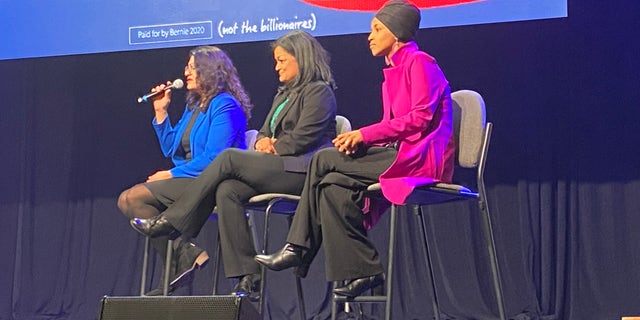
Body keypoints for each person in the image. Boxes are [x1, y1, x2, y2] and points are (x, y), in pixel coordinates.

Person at [254, 0, 455, 298]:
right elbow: (393, 125)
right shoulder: (392, 71)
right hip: (398, 153)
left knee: (323, 158)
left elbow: (419, 119)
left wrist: (364, 135)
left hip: (420, 159)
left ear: (397, 32)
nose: (370, 36)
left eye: (377, 29)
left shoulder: (420, 62)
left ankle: (298, 246)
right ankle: (365, 271)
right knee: (332, 187)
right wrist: (361, 142)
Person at [129, 30, 337, 298]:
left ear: (302, 59)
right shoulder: (283, 94)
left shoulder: (319, 92)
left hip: (301, 171)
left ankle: (173, 220)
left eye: (282, 61)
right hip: (276, 166)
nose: (277, 67)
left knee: (227, 157)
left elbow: (306, 136)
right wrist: (264, 141)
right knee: (227, 189)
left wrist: (275, 146)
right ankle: (247, 278)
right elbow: (264, 130)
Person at [117, 46, 252, 295]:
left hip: (212, 182)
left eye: (192, 67)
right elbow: (171, 148)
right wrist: (161, 112)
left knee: (134, 197)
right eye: (187, 67)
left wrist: (171, 175)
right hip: (188, 180)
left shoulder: (225, 105)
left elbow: (216, 157)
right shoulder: (194, 107)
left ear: (210, 70)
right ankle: (184, 255)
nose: (186, 72)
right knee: (127, 200)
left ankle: (182, 259)